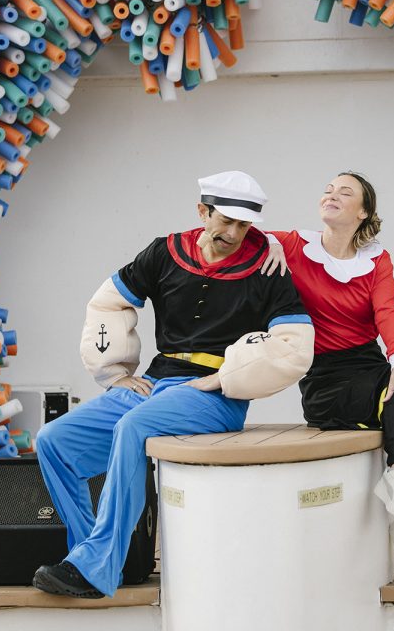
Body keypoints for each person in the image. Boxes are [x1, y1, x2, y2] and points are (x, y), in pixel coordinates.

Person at [33, 171, 314, 598]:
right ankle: (97, 557)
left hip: (215, 396)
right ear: (202, 211)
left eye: (243, 225)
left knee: (133, 427)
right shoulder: (165, 252)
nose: (233, 234)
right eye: (225, 221)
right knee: (54, 441)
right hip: (153, 382)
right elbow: (109, 301)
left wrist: (224, 378)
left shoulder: (267, 268)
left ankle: (97, 564)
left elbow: (295, 346)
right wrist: (116, 373)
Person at [261, 172, 394, 586]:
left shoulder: (377, 259)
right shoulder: (293, 244)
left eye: (345, 192)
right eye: (328, 189)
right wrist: (265, 241)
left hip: (369, 365)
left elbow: (387, 313)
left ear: (363, 212)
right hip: (325, 380)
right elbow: (234, 236)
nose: (332, 195)